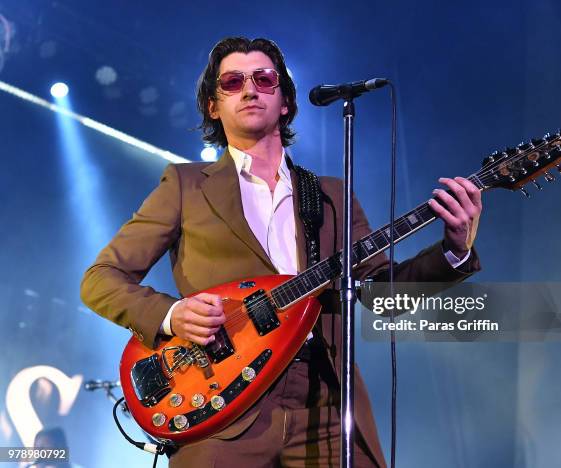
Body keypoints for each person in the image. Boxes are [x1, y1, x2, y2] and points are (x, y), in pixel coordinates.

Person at [80, 37, 482, 467]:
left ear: (285, 100)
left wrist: (454, 249)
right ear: (213, 106)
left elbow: (383, 295)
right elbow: (100, 279)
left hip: (324, 399)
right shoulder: (185, 185)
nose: (250, 90)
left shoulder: (331, 195)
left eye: (264, 79)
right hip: (223, 402)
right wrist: (170, 315)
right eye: (232, 82)